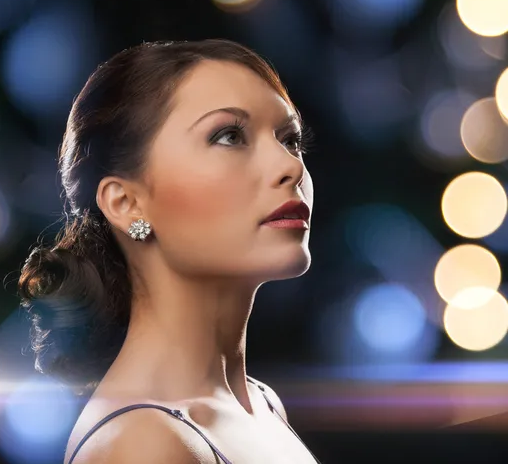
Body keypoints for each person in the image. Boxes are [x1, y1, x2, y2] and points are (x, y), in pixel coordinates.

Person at [18, 39, 319, 463]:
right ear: (127, 203)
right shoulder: (142, 444)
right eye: (229, 136)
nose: (291, 167)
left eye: (290, 139)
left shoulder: (262, 404)